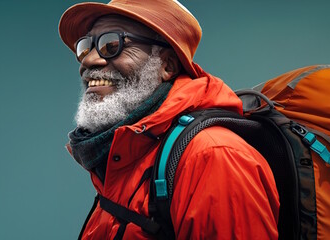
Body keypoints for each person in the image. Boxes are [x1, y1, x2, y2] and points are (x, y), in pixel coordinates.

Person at [58, 0, 280, 239]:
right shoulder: (121, 160)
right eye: (86, 47)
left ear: (167, 65)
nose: (88, 61)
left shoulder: (212, 156)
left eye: (112, 44)